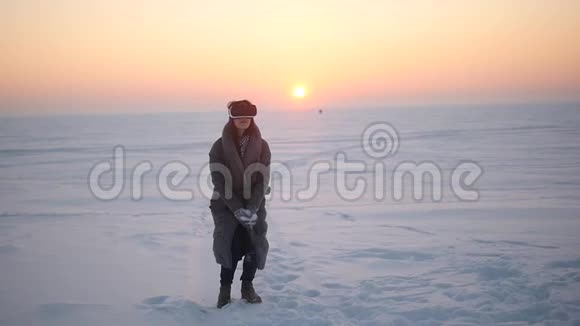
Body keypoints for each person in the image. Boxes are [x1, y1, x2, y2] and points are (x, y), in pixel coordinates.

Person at [208, 99, 271, 308]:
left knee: (254, 244)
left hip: (254, 203)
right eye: (238, 116)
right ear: (231, 118)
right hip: (227, 205)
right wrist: (237, 209)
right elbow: (219, 180)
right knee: (230, 246)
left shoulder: (262, 146)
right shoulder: (219, 147)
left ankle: (247, 287)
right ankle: (224, 290)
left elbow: (263, 179)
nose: (243, 119)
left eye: (247, 115)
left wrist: (252, 208)